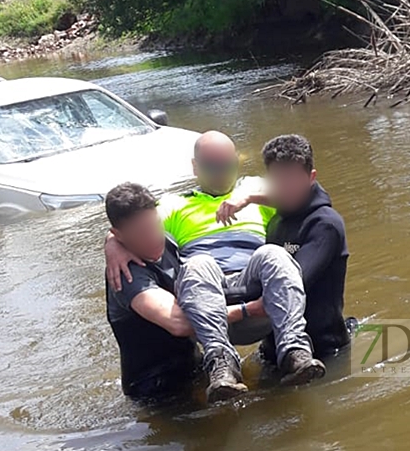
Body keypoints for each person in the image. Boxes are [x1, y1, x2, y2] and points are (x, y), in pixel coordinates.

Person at [105, 132, 325, 401]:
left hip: (256, 283)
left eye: (227, 166)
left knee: (274, 253)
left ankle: (295, 352)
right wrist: (111, 244)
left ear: (237, 161)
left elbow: (304, 197)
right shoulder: (175, 204)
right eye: (211, 167)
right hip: (208, 297)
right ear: (195, 168)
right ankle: (222, 365)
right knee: (198, 263)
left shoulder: (255, 189)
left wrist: (249, 199)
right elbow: (137, 225)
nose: (221, 174)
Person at [103, 182, 240, 401]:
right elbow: (180, 323)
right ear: (118, 235)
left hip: (194, 365)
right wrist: (251, 309)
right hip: (155, 387)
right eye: (141, 233)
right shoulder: (126, 276)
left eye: (154, 225)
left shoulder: (164, 241)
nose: (153, 236)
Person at [221, 134, 351, 360]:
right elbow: (258, 283)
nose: (286, 188)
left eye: (292, 179)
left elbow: (286, 286)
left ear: (311, 178)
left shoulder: (325, 225)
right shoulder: (276, 223)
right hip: (273, 348)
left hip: (322, 350)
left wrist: (225, 304)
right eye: (278, 180)